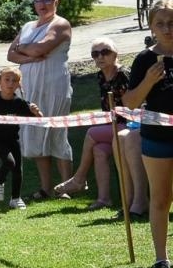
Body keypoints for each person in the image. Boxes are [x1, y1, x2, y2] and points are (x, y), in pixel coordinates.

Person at [55, 39, 147, 214]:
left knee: (91, 133)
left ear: (115, 54)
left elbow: (133, 105)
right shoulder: (100, 76)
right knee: (99, 150)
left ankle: (79, 179)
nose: (100, 57)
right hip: (114, 124)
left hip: (132, 125)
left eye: (105, 52)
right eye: (95, 54)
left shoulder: (123, 74)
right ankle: (104, 199)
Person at [6, 0, 74, 198]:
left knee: (56, 131)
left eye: (47, 0)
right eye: (38, 0)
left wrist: (25, 49)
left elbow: (41, 48)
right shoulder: (27, 26)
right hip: (30, 86)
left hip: (54, 84)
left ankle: (65, 187)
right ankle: (46, 187)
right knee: (35, 132)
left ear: (56, 2)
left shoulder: (60, 24)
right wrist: (30, 56)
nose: (42, 4)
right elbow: (10, 54)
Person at [124, 0, 173, 268]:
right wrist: (149, 81)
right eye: (161, 24)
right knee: (161, 198)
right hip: (157, 137)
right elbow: (130, 102)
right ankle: (161, 260)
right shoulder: (145, 59)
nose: (167, 29)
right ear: (152, 27)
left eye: (172, 23)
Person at [0, 67, 42, 210]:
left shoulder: (19, 103)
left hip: (13, 138)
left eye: (15, 81)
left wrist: (37, 112)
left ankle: (15, 199)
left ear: (19, 84)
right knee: (10, 162)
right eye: (7, 80)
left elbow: (39, 119)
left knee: (18, 168)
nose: (10, 83)